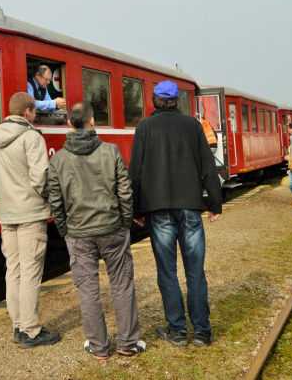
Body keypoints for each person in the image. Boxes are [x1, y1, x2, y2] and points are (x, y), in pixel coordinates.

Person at [129, 80, 222, 348]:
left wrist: (136, 210)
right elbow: (207, 165)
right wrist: (214, 203)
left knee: (167, 271)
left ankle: (178, 330)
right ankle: (203, 332)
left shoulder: (144, 127)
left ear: (154, 102)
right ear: (176, 102)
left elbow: (136, 171)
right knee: (195, 272)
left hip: (158, 209)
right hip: (190, 206)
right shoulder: (192, 125)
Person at [47, 102, 144, 359]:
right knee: (122, 284)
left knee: (87, 289)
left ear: (69, 124)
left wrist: (65, 230)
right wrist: (125, 222)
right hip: (112, 228)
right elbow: (125, 191)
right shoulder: (111, 152)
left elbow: (55, 201)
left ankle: (99, 347)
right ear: (92, 122)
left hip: (78, 233)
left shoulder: (57, 159)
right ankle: (127, 344)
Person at [0, 92, 60, 348]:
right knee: (31, 271)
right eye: (34, 111)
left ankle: (18, 326)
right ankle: (31, 331)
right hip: (31, 214)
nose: (35, 115)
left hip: (8, 215)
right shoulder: (31, 137)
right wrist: (45, 198)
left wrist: (2, 193)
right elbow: (40, 178)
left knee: (13, 271)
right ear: (27, 112)